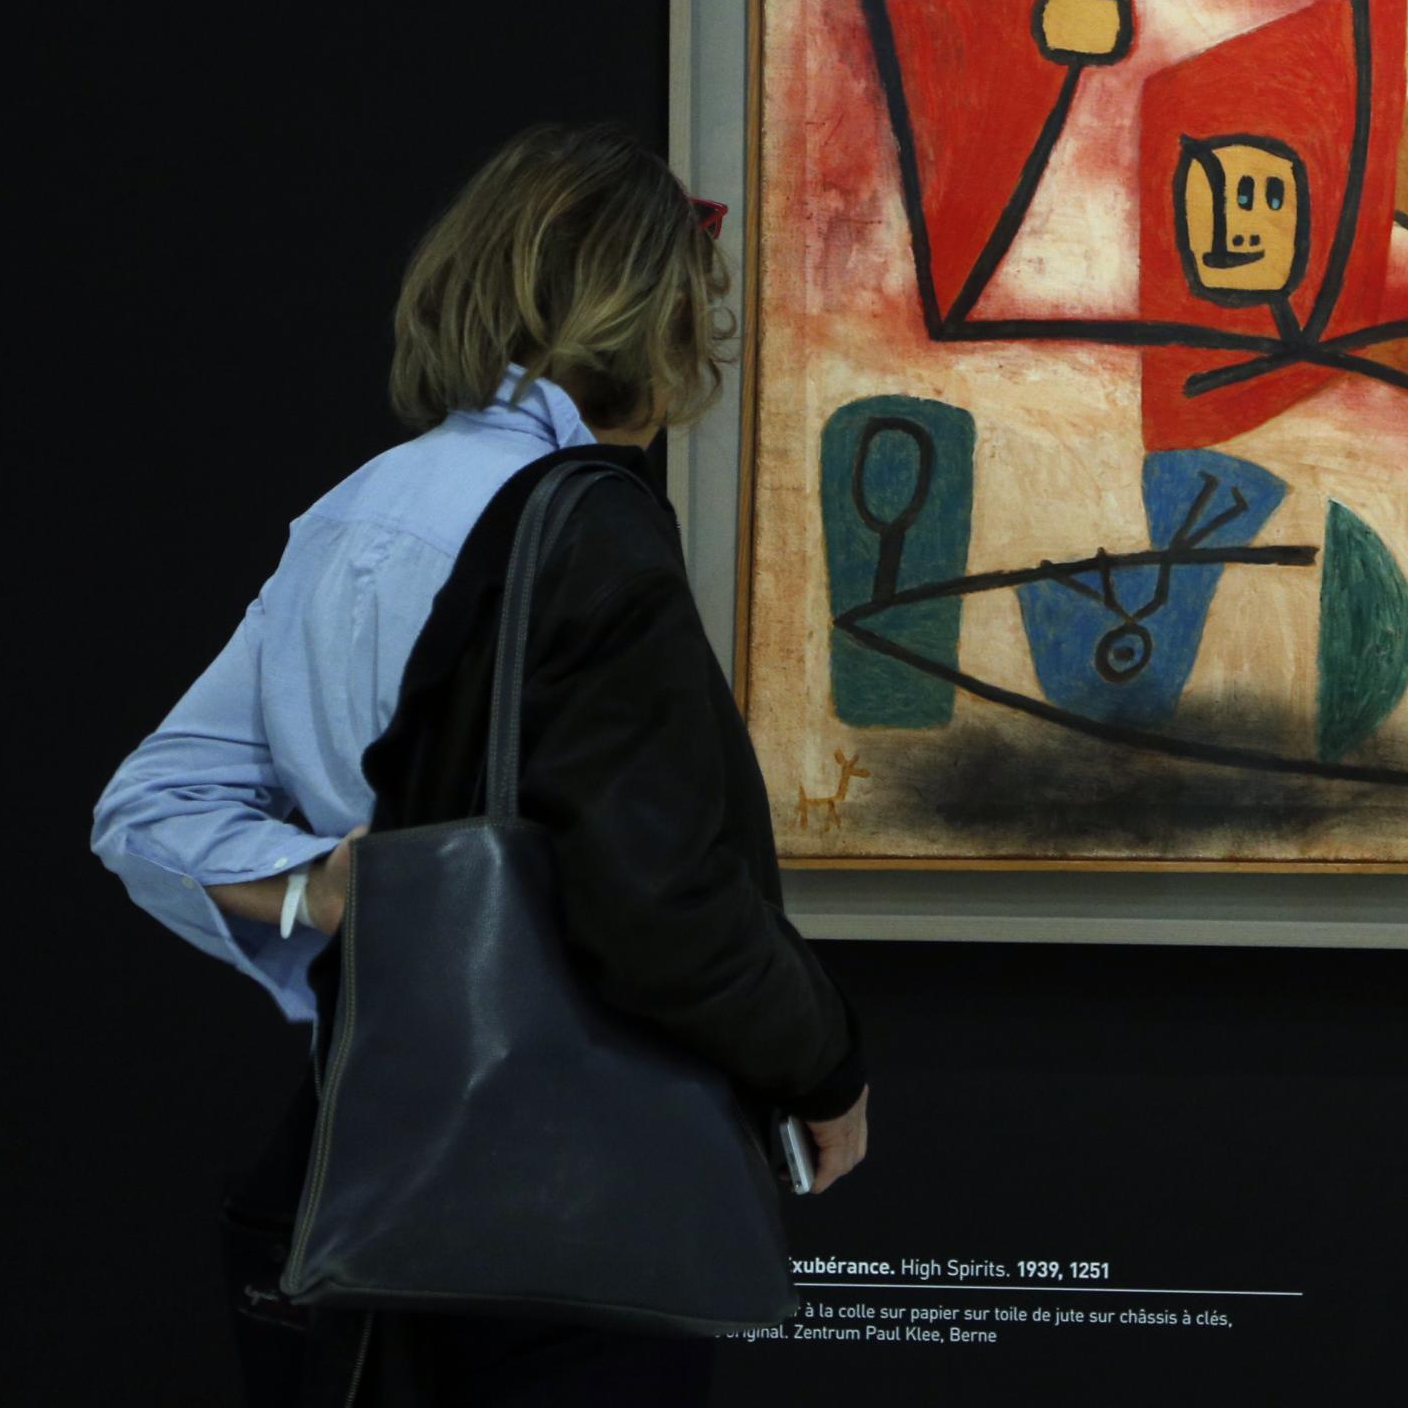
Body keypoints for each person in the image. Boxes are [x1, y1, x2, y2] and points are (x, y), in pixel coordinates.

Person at [90, 122, 867, 1405]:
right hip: (552, 1200)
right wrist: (822, 1066)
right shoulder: (589, 523)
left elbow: (150, 808)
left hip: (353, 1164)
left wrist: (329, 889)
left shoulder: (357, 506)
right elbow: (657, 900)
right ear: (651, 316)